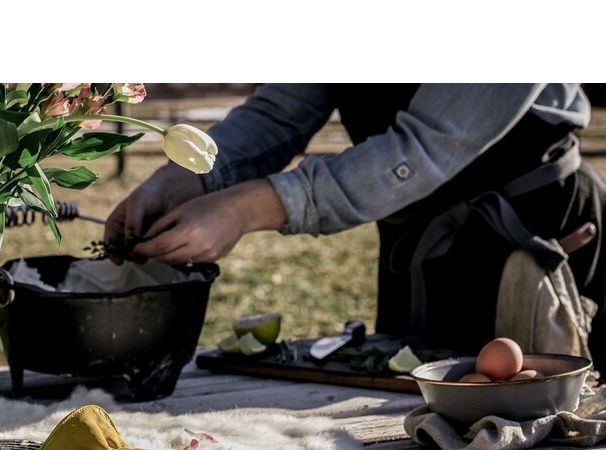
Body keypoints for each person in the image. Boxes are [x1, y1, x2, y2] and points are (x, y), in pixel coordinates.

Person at [106, 84, 606, 371]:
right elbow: (281, 110)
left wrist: (244, 209)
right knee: (415, 431)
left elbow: (425, 149)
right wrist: (185, 177)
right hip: (417, 235)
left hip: (532, 234)